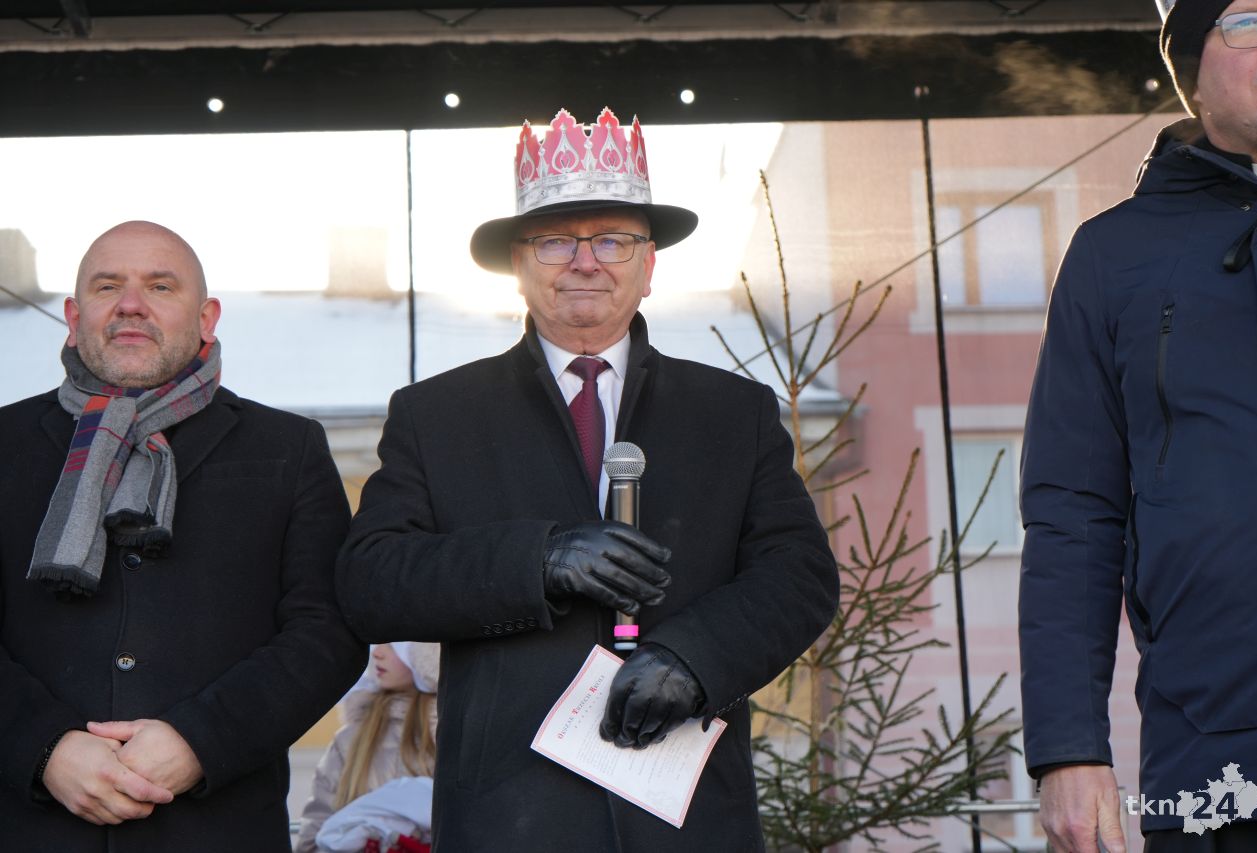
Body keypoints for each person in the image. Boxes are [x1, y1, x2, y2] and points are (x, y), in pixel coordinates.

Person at [335, 107, 838, 851]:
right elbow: (371, 580)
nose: (585, 261)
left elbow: (800, 577)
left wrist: (694, 658)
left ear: (648, 265)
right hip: (509, 816)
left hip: (686, 816)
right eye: (555, 241)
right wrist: (537, 560)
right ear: (518, 265)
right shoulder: (437, 415)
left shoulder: (734, 413)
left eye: (612, 240)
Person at [0, 221, 367, 851]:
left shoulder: (288, 448)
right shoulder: (4, 445)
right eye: (107, 286)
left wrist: (200, 741)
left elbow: (328, 633)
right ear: (73, 317)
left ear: (206, 319)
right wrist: (45, 750)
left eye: (160, 286)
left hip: (218, 830)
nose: (131, 304)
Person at [1020, 1, 1257, 849]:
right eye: (1250, 20)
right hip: (1213, 754)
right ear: (1189, 66)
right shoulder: (1114, 255)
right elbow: (1073, 512)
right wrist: (1068, 747)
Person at [296, 642, 439, 853]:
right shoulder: (350, 739)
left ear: (428, 653)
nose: (377, 652)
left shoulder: (451, 734)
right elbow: (313, 836)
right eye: (378, 643)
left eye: (393, 644)